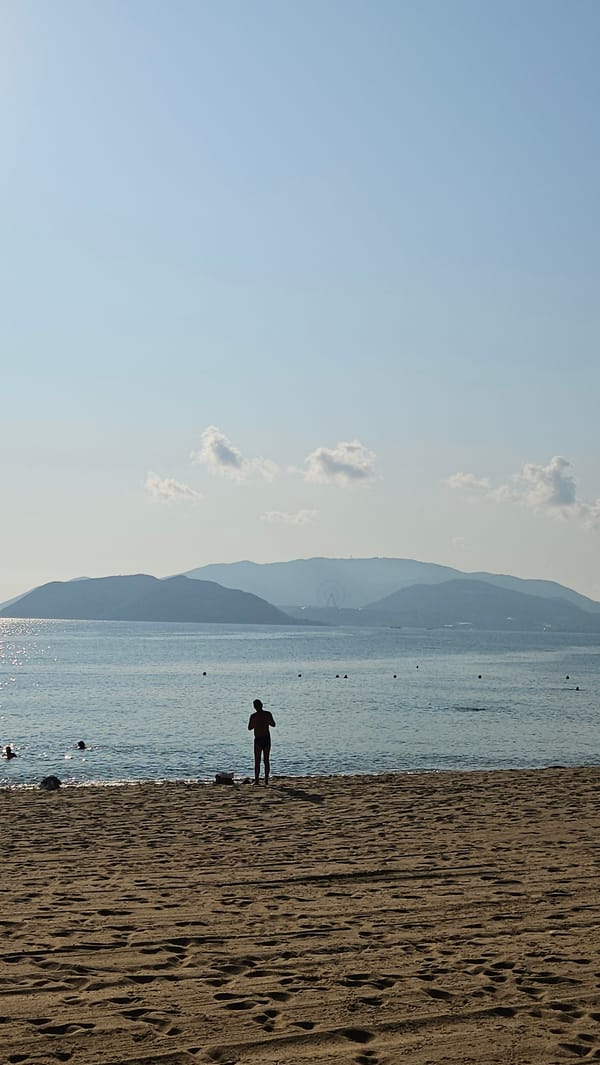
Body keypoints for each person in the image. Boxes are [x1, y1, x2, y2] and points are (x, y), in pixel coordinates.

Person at [248, 698, 276, 786]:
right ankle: (266, 781)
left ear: (254, 707)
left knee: (257, 761)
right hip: (266, 738)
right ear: (262, 705)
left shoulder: (253, 716)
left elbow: (250, 727)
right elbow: (273, 724)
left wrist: (257, 723)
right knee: (266, 760)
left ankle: (257, 781)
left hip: (259, 739)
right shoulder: (267, 714)